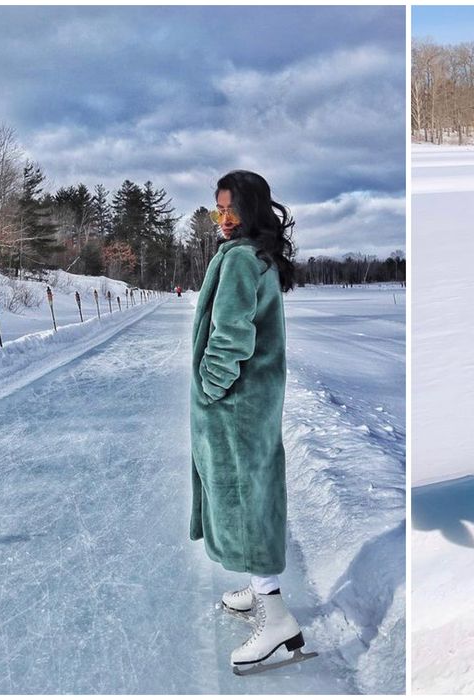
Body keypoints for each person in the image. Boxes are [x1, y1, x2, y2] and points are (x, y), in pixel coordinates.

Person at [189, 169, 311, 674]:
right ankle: (259, 588)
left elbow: (230, 336)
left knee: (242, 496)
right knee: (250, 490)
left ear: (251, 209)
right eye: (218, 209)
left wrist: (209, 386)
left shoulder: (240, 258)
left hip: (237, 403)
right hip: (253, 401)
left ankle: (275, 615)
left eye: (231, 209)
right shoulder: (254, 254)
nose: (223, 218)